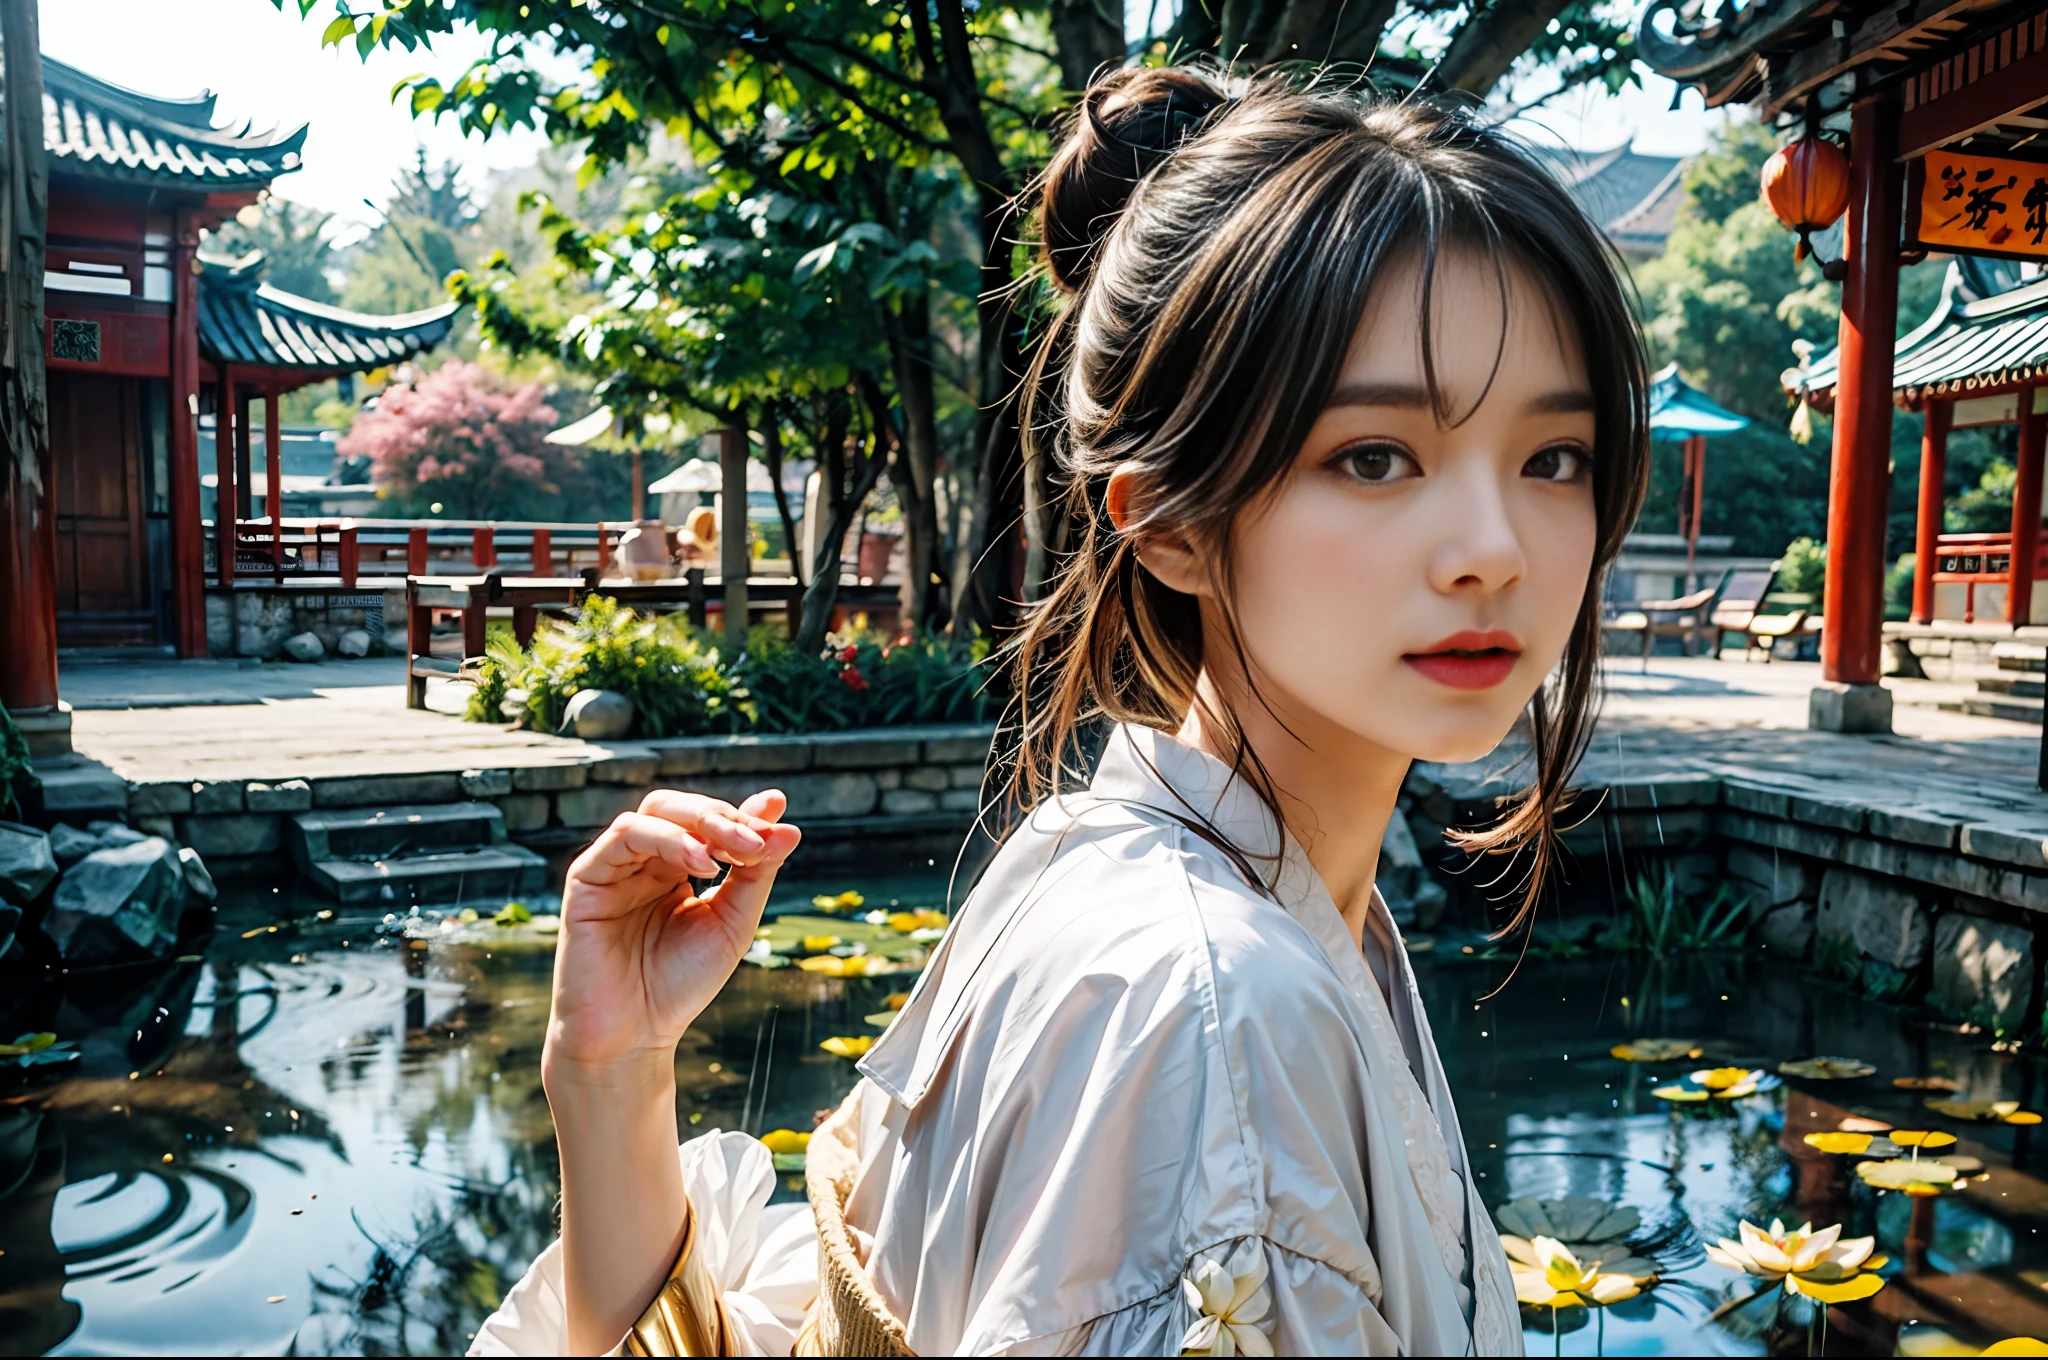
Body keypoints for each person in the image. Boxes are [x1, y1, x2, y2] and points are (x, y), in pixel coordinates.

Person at [474, 63, 1648, 1358]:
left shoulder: (1086, 857)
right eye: (1376, 457)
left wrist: (610, 1075)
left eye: (1553, 457)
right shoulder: (1228, 1019)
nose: (1491, 544)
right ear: (1167, 521)